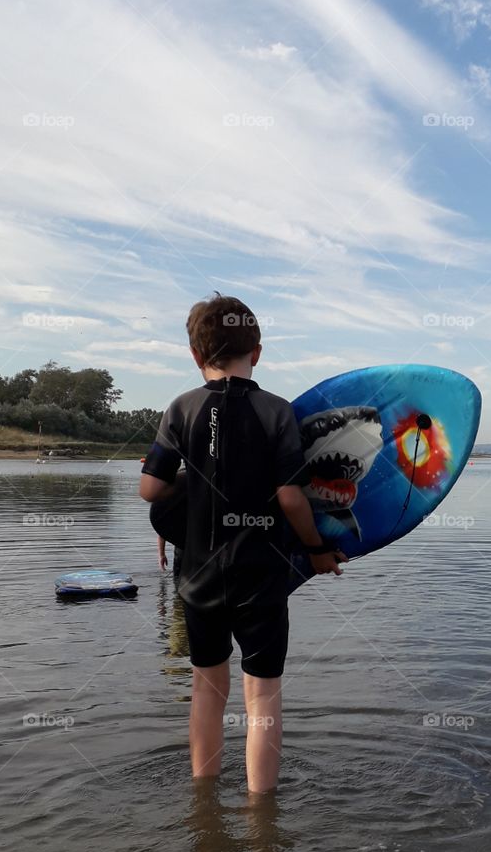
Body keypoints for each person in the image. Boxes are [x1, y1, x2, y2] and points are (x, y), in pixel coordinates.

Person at [139, 294, 346, 793]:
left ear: (195, 355)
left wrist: (194, 485)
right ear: (257, 351)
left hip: (197, 577)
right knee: (263, 696)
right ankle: (261, 811)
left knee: (207, 689)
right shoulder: (275, 412)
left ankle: (203, 802)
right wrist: (318, 550)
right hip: (261, 573)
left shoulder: (180, 408)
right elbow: (291, 498)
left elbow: (149, 489)